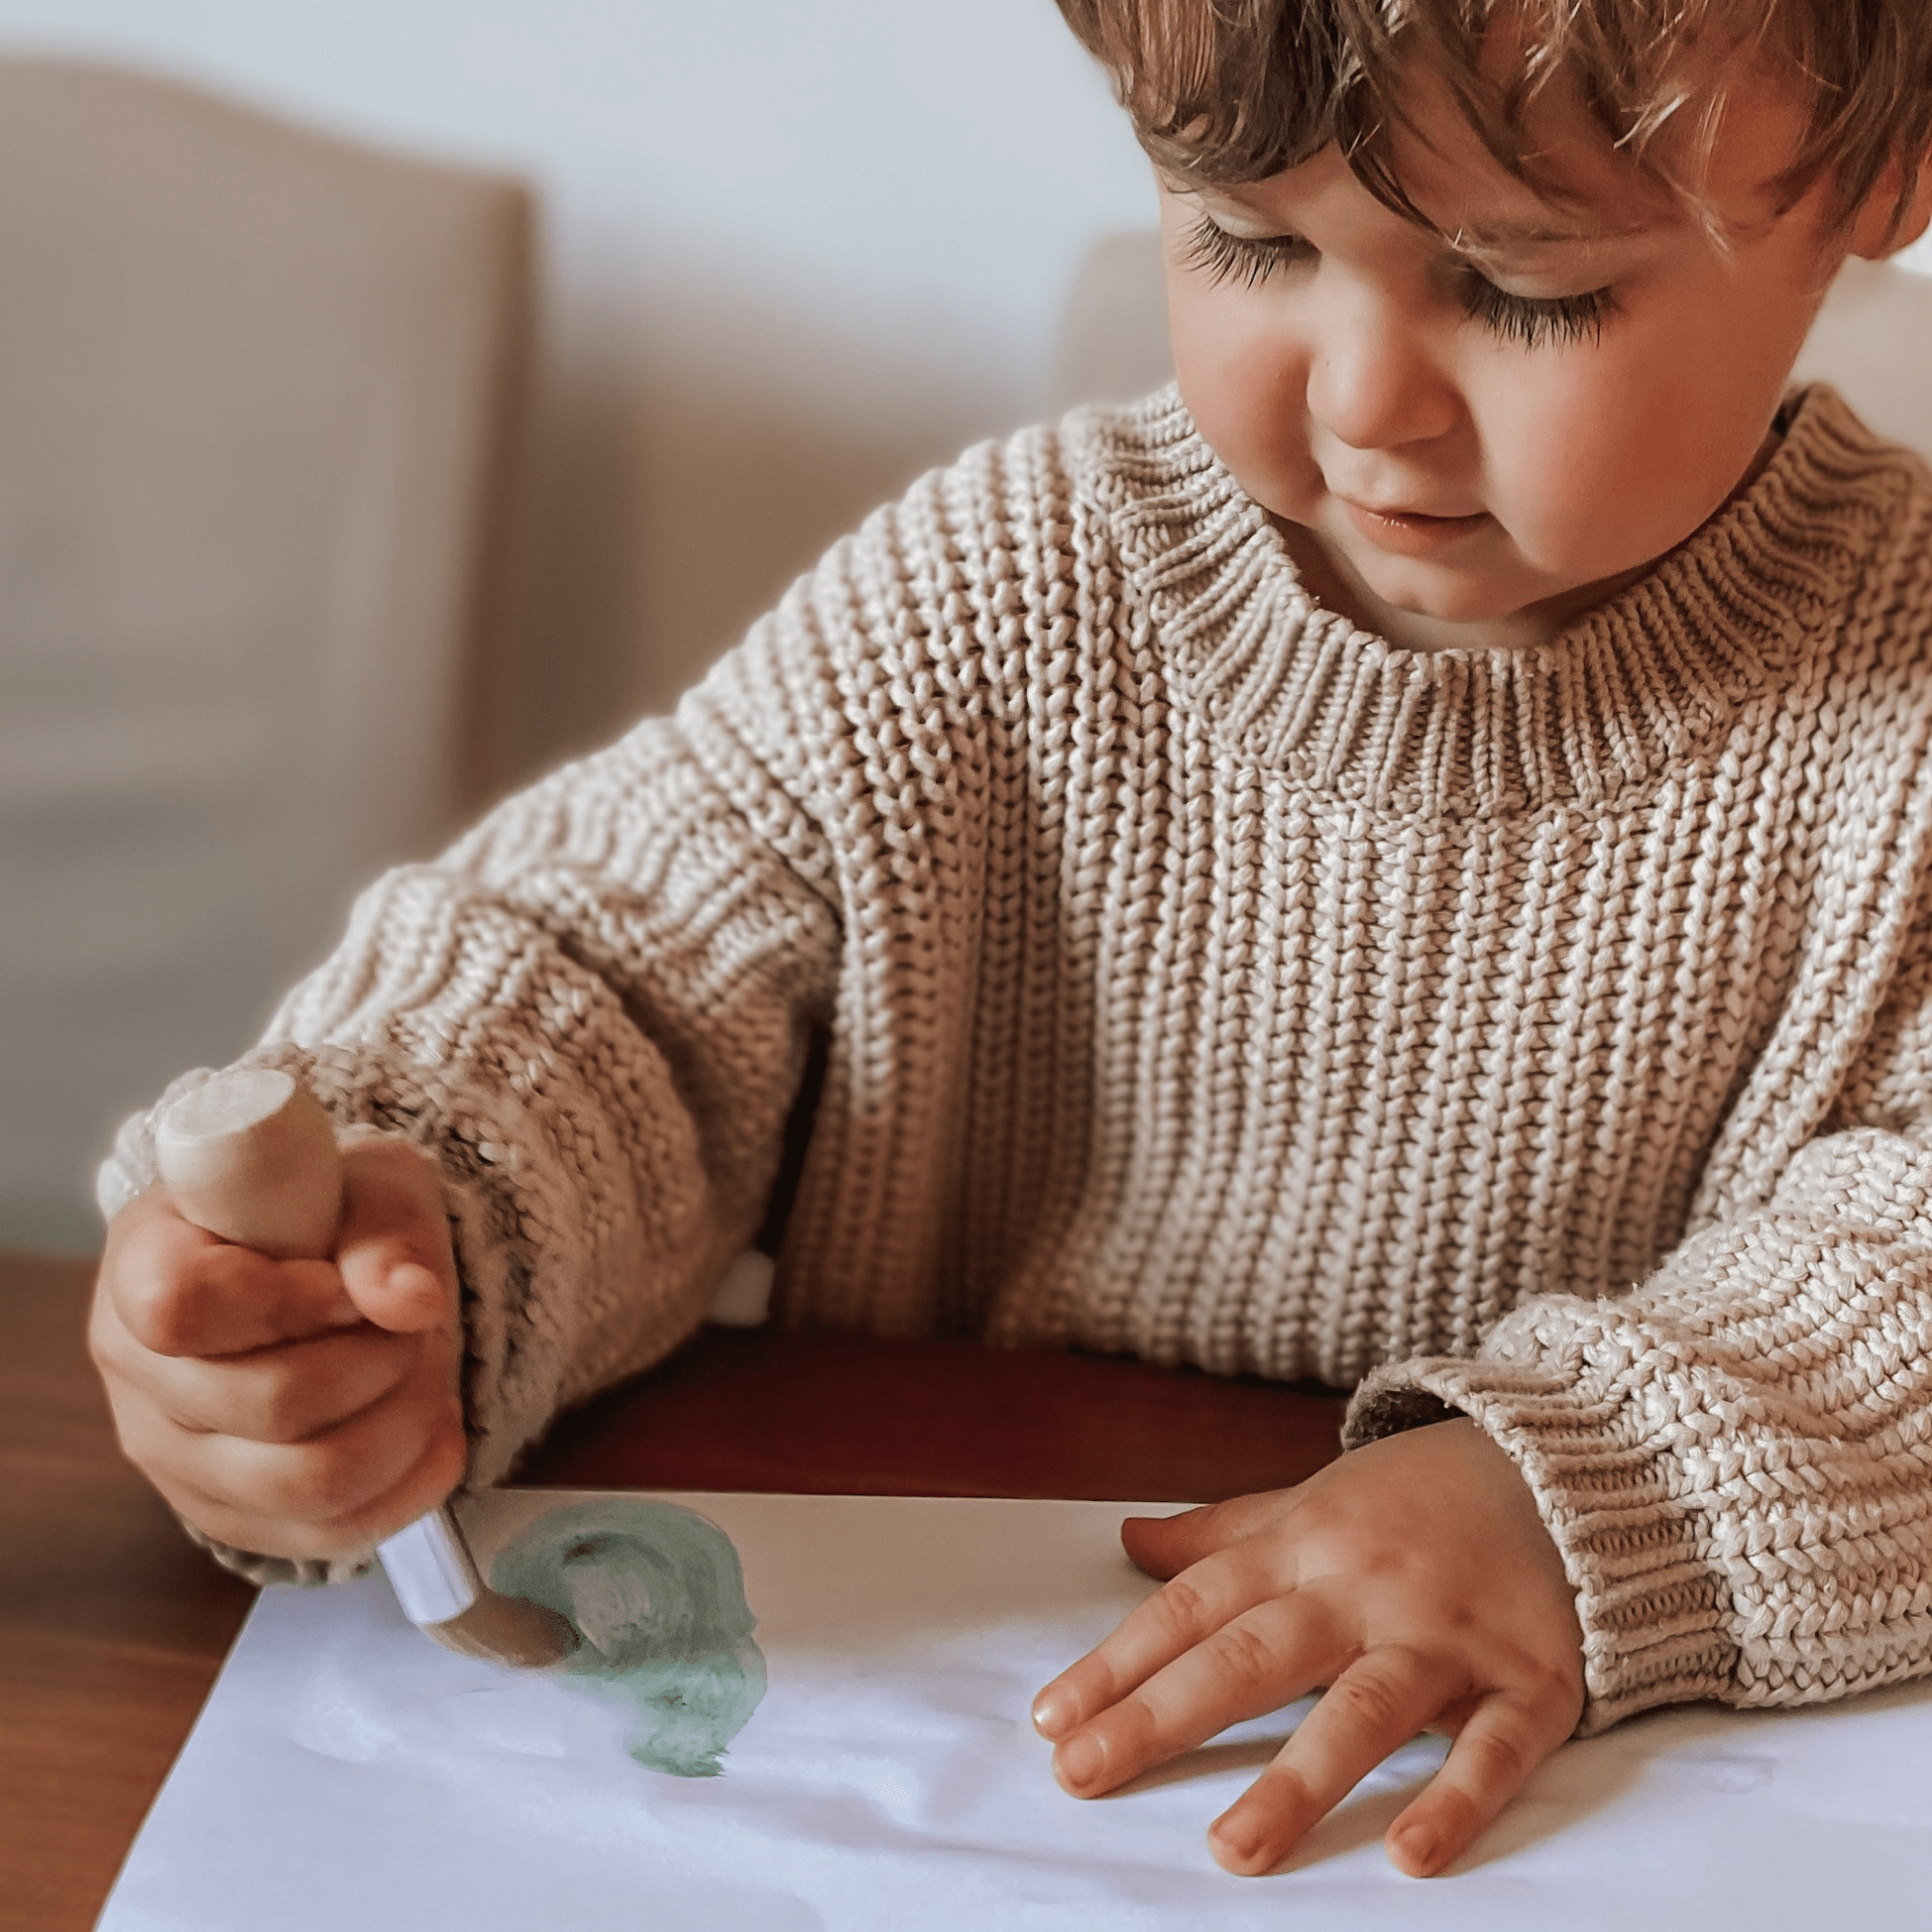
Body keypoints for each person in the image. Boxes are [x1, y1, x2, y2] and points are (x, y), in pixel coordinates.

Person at [88, 0, 1932, 1883]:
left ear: (1877, 176)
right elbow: (619, 969)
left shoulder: (1906, 715)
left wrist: (1569, 1507)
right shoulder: (1002, 600)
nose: (1367, 393)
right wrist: (424, 1238)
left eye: (1523, 290)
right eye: (1248, 239)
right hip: (936, 1786)